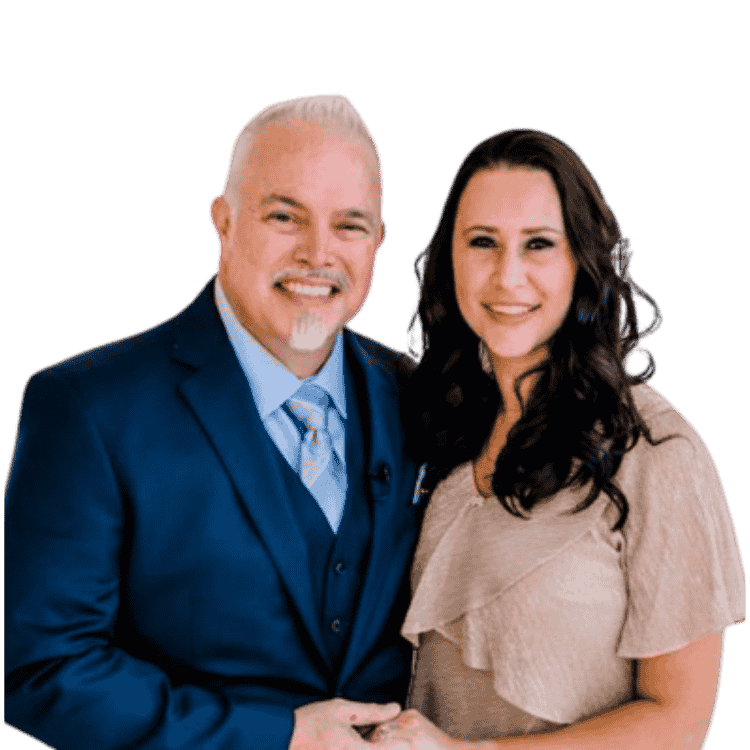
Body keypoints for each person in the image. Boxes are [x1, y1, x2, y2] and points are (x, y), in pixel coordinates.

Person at [4, 94, 423, 750]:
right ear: (224, 223)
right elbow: (45, 669)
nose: (319, 253)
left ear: (379, 243)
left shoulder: (425, 398)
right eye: (285, 217)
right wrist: (278, 735)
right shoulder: (87, 408)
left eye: (350, 225)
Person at [369, 129, 745, 749]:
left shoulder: (653, 449)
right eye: (482, 242)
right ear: (449, 261)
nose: (507, 275)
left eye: (539, 244)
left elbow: (680, 723)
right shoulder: (441, 433)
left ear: (581, 264)